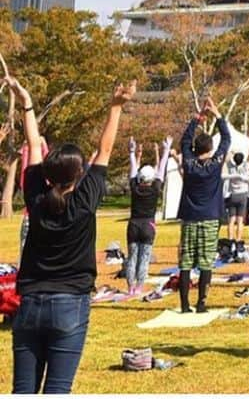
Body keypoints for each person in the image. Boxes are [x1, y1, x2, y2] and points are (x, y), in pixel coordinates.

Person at [9, 74, 136, 394]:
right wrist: (116, 107)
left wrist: (27, 105)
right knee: (58, 390)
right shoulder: (84, 199)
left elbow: (34, 145)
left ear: (47, 176)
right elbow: (105, 148)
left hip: (30, 305)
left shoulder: (36, 196)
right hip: (70, 306)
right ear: (79, 175)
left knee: (22, 391)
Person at [177, 97, 231, 313]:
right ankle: (201, 303)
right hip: (209, 217)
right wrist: (217, 115)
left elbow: (184, 141)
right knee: (207, 261)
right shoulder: (215, 164)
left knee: (186, 261)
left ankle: (184, 304)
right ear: (210, 147)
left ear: (195, 148)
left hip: (190, 216)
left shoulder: (189, 163)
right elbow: (226, 139)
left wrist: (198, 117)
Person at [125, 135, 171, 296]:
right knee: (144, 258)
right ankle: (139, 287)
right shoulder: (155, 188)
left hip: (133, 225)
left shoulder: (134, 187)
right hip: (148, 226)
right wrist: (166, 150)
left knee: (131, 257)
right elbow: (161, 168)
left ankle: (130, 288)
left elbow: (132, 169)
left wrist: (132, 151)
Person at [222, 129, 249, 263]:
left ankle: (230, 241)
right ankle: (238, 240)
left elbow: (225, 157)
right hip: (242, 195)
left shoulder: (231, 167)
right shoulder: (245, 167)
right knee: (240, 220)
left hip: (232, 195)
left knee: (231, 220)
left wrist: (231, 150)